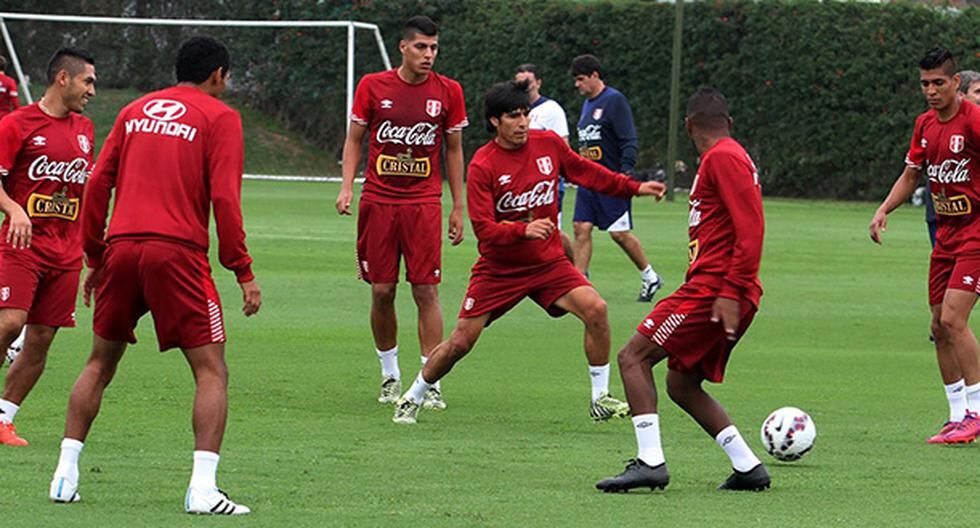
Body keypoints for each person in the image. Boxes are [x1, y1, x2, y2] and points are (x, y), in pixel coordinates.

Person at [48, 36, 261, 515]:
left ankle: (64, 475)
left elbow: (98, 181)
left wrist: (96, 257)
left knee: (99, 362)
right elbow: (225, 200)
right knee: (211, 371)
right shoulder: (220, 117)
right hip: (177, 254)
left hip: (122, 249)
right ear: (219, 76)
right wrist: (242, 269)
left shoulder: (136, 110)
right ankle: (203, 489)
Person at [391, 79, 666, 425]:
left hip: (548, 263)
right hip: (500, 270)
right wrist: (523, 229)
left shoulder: (548, 145)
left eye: (525, 114)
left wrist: (635, 187)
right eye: (513, 116)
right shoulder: (483, 165)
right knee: (461, 342)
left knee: (596, 309)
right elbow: (484, 231)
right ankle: (413, 396)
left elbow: (587, 173)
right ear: (495, 121)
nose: (523, 123)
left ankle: (600, 398)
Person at [596, 88, 770, 493]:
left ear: (689, 126)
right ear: (728, 122)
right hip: (721, 289)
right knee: (681, 383)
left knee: (632, 357)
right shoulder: (727, 156)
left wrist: (730, 290)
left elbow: (752, 228)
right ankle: (747, 466)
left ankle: (650, 463)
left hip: (714, 291)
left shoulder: (724, 157)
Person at [336, 15, 467, 409]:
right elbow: (355, 139)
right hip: (378, 200)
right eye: (422, 47)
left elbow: (455, 150)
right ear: (403, 48)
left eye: (434, 48)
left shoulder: (448, 91)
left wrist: (458, 206)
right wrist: (346, 186)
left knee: (426, 289)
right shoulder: (373, 86)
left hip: (424, 203)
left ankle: (430, 381)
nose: (429, 55)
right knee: (382, 290)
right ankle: (390, 375)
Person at [870, 47, 980, 445]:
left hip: (977, 234)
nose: (931, 91)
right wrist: (884, 210)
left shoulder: (975, 122)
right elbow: (910, 175)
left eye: (938, 83)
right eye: (925, 84)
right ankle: (956, 417)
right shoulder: (924, 126)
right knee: (938, 326)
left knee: (954, 319)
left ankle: (976, 410)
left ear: (956, 84)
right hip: (946, 237)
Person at [0, 48, 95, 447]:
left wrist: (95, 252)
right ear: (63, 78)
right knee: (10, 323)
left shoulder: (86, 130)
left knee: (41, 339)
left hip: (66, 253)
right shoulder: (16, 124)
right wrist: (13, 208)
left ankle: (3, 418)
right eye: (88, 80)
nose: (92, 89)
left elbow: (86, 191)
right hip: (21, 245)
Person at [570, 54, 662, 302]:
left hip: (611, 180)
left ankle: (650, 276)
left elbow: (628, 139)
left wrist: (626, 171)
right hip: (589, 181)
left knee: (619, 233)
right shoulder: (587, 104)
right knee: (581, 228)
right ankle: (580, 284)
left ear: (595, 76)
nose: (577, 85)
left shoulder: (614, 100)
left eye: (580, 79)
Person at [514, 63, 574, 259]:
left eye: (528, 82)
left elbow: (564, 147)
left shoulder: (551, 109)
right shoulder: (515, 110)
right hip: (521, 181)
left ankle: (577, 271)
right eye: (519, 82)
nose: (524, 86)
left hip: (547, 182)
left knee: (551, 231)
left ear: (538, 83)